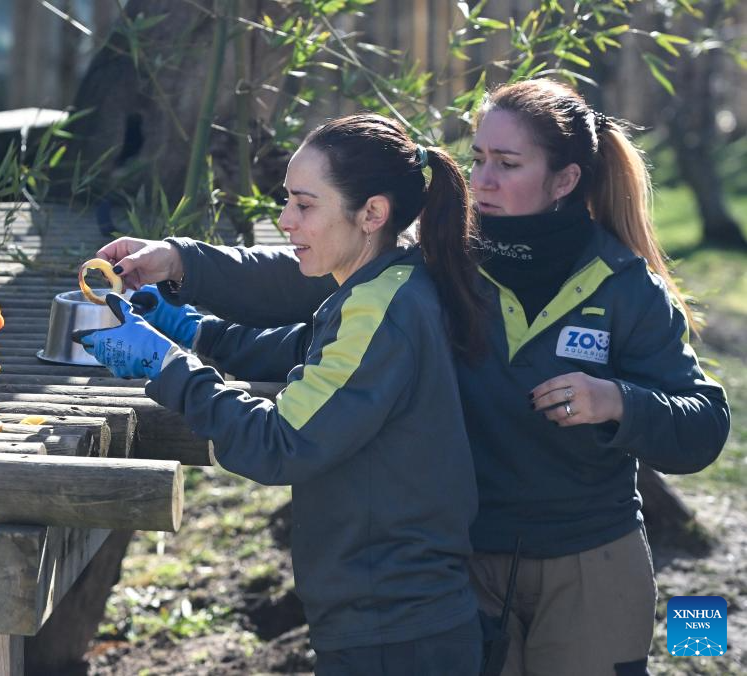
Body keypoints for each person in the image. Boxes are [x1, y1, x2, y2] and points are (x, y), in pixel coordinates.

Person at [95, 80, 730, 676]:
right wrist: (181, 263)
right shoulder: (445, 257)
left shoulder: (625, 287)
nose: (483, 179)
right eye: (478, 158)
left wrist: (618, 401)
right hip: (463, 566)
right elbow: (305, 279)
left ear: (564, 179)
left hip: (589, 557)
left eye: (507, 164)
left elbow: (703, 425)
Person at [79, 113, 486, 674]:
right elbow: (305, 351)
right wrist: (193, 330)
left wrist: (167, 365)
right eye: (287, 201)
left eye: (304, 205)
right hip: (392, 616)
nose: (285, 219)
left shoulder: (380, 311)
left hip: (393, 629)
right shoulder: (392, 282)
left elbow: (281, 442)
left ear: (372, 214)